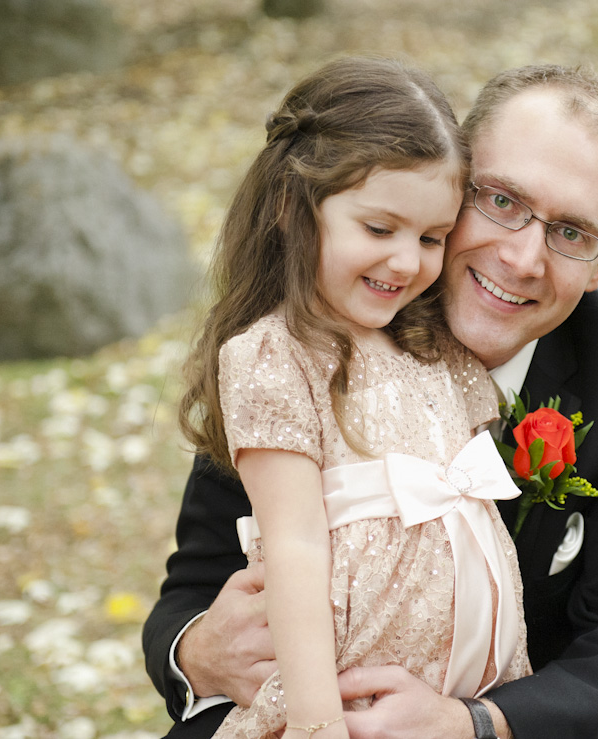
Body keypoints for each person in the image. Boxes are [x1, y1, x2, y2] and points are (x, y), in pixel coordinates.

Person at [144, 63, 598, 739]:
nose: (523, 257)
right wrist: (200, 653)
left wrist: (471, 723)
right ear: (450, 180)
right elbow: (195, 583)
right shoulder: (321, 330)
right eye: (501, 201)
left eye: (570, 233)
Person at [168, 56, 532, 739]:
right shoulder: (276, 355)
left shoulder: (437, 352)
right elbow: (296, 543)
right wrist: (316, 724)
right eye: (378, 228)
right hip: (342, 709)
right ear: (290, 207)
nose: (406, 261)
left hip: (458, 707)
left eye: (431, 238)